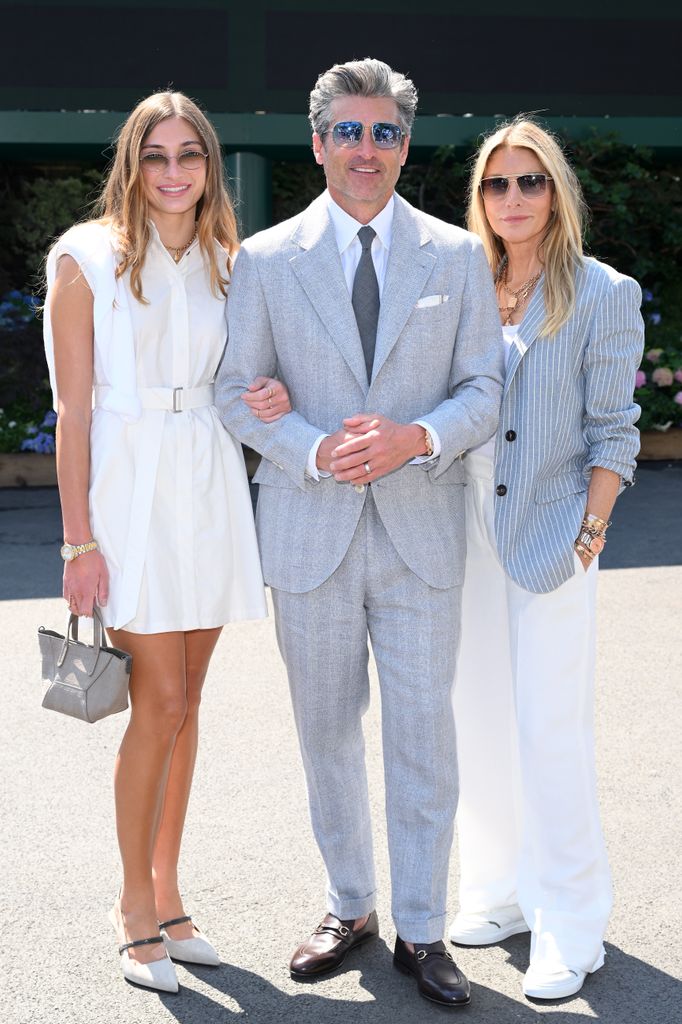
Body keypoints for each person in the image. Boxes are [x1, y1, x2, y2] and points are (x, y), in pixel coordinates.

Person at [216, 57, 503, 1008]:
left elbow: (483, 390)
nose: (366, 148)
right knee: (327, 734)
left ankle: (423, 930)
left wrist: (419, 436)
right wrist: (307, 447)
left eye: (384, 132)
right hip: (311, 533)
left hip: (421, 532)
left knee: (424, 738)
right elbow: (235, 392)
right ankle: (351, 906)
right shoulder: (263, 259)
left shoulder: (457, 258)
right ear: (318, 142)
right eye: (349, 130)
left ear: (405, 145)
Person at [43, 91, 290, 993]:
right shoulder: (84, 259)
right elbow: (72, 411)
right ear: (133, 164)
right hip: (129, 488)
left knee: (187, 702)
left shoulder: (232, 261)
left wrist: (270, 399)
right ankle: (131, 905)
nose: (175, 172)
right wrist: (80, 544)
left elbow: (250, 379)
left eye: (191, 155)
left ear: (209, 165)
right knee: (156, 703)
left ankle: (170, 892)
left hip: (212, 481)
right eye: (158, 156)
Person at [447, 117, 645, 1000]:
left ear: (556, 191)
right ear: (480, 198)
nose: (514, 198)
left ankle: (573, 923)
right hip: (459, 526)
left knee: (549, 730)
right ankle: (498, 890)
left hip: (554, 529)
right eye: (498, 184)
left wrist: (590, 536)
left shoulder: (603, 291)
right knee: (478, 717)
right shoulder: (460, 280)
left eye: (531, 182)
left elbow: (615, 431)